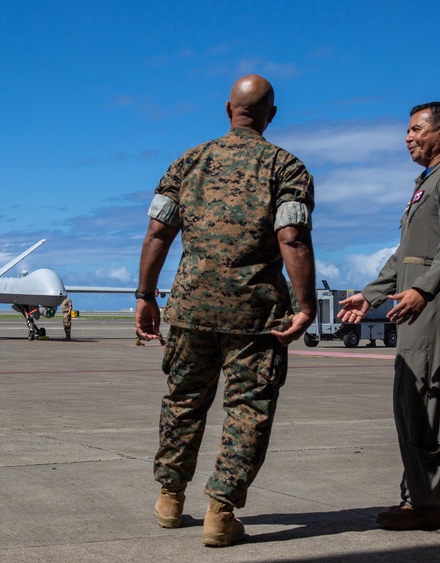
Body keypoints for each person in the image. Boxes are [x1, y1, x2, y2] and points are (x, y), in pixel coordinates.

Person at [135, 74, 316, 547]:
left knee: (183, 402)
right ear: (270, 114)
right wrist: (306, 304)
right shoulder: (286, 167)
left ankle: (170, 499)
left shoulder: (188, 162)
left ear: (227, 108)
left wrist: (145, 295)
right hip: (254, 315)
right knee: (247, 410)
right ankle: (220, 512)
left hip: (191, 308)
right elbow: (292, 237)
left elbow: (158, 233)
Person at [338, 102, 440, 530]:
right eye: (407, 130)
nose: (407, 137)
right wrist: (370, 295)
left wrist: (423, 288)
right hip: (418, 299)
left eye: (416, 129)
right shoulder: (427, 183)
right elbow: (406, 255)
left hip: (436, 300)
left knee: (424, 399)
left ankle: (426, 505)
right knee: (415, 398)